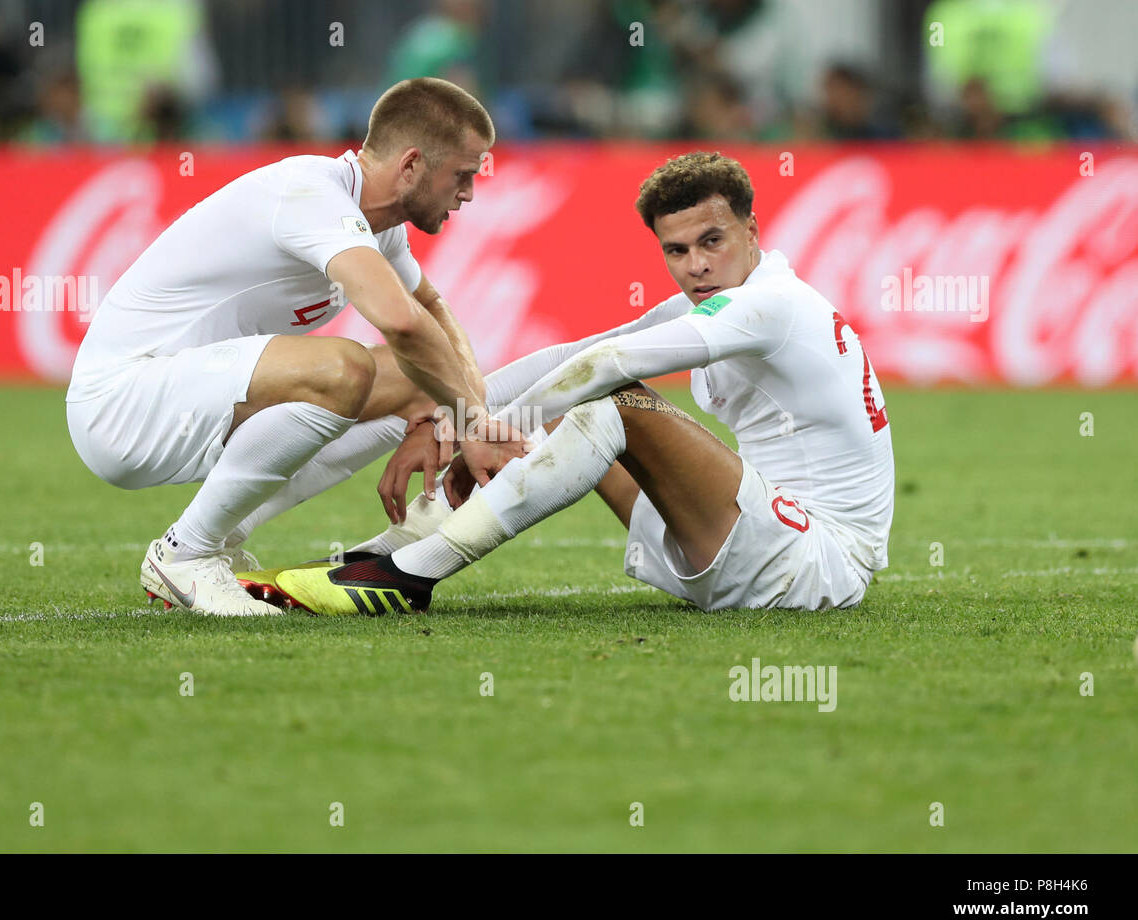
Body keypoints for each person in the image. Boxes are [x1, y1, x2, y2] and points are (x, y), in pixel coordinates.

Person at [269, 151, 895, 615]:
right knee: (572, 402)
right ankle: (377, 555)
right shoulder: (722, 300)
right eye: (676, 251)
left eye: (713, 240)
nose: (697, 264)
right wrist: (458, 420)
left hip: (815, 563)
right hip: (747, 542)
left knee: (612, 404)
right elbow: (575, 353)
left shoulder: (773, 305)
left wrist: (490, 430)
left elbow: (612, 367)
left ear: (752, 231)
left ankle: (409, 577)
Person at [65, 77, 524, 616]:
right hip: (120, 404)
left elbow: (435, 315)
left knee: (414, 381)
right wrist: (472, 423)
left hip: (188, 396)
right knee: (345, 368)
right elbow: (402, 323)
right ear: (412, 165)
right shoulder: (310, 193)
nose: (469, 193)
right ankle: (185, 554)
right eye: (463, 175)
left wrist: (449, 418)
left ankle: (219, 534)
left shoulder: (380, 227)